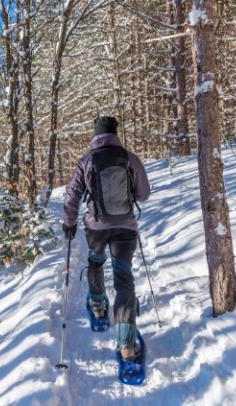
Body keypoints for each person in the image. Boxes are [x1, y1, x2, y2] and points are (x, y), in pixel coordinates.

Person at [62, 116, 150, 361]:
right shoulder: (130, 159)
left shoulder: (86, 162)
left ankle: (99, 306)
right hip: (125, 228)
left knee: (96, 262)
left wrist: (69, 223)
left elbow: (72, 197)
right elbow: (144, 195)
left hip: (96, 228)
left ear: (95, 135)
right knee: (124, 279)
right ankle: (126, 345)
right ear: (116, 133)